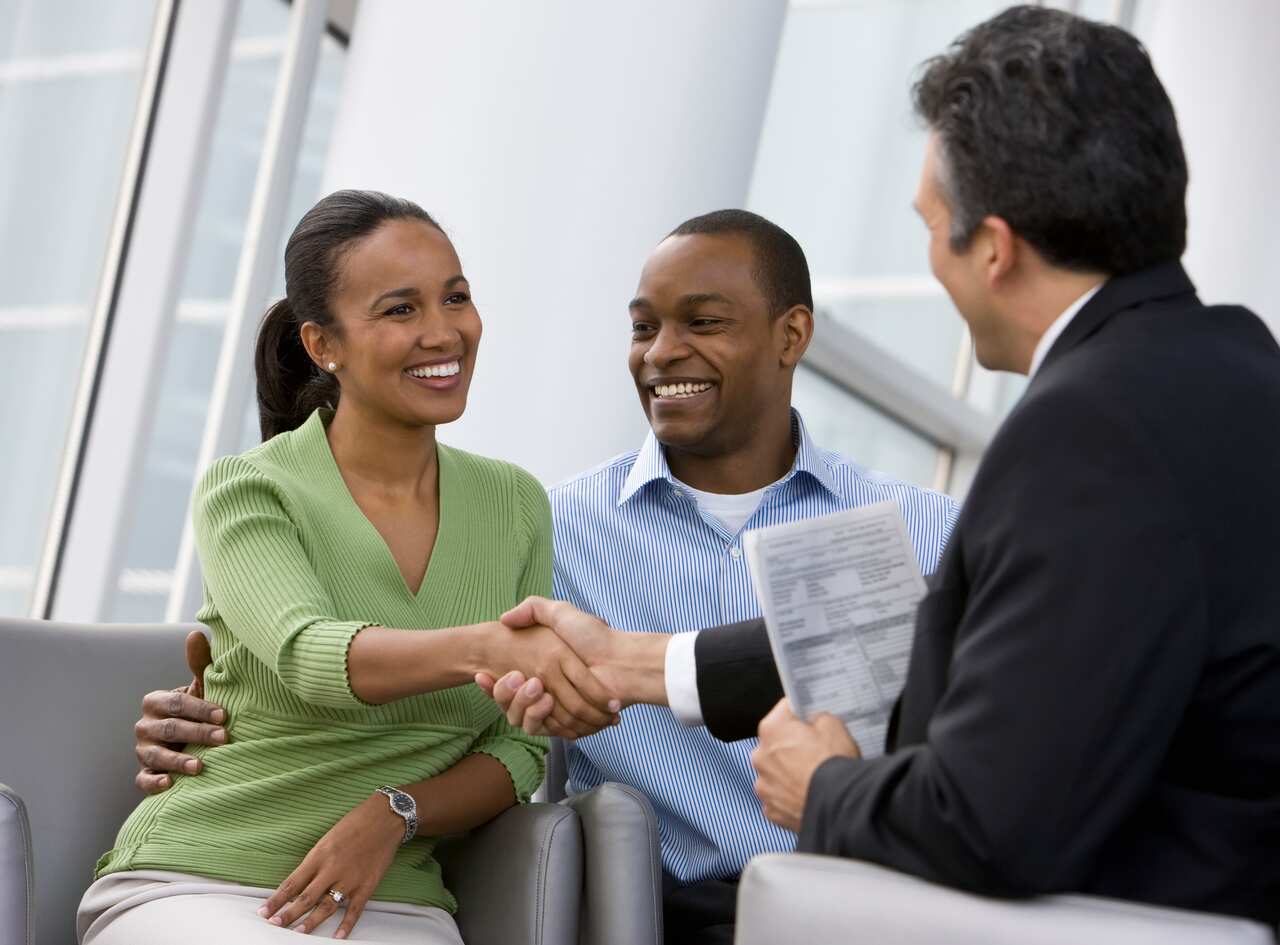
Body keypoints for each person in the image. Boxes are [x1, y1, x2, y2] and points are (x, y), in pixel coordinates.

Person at [493, 5, 1280, 929]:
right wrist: (643, 663)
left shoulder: (1087, 427)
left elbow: (994, 819)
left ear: (992, 246)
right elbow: (989, 642)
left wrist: (824, 787)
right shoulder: (1234, 375)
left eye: (931, 225)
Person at [128, 209, 958, 945]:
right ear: (323, 343)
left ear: (791, 334)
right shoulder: (564, 525)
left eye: (703, 321)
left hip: (887, 898)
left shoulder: (931, 533)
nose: (665, 352)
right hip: (678, 911)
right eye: (644, 327)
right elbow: (329, 633)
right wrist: (199, 694)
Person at [78, 189, 620, 945]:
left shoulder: (516, 502)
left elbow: (517, 746)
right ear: (322, 344)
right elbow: (312, 654)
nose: (443, 331)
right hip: (204, 877)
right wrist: (488, 647)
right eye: (400, 310)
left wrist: (398, 811)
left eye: (455, 297)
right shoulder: (249, 489)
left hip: (395, 902)